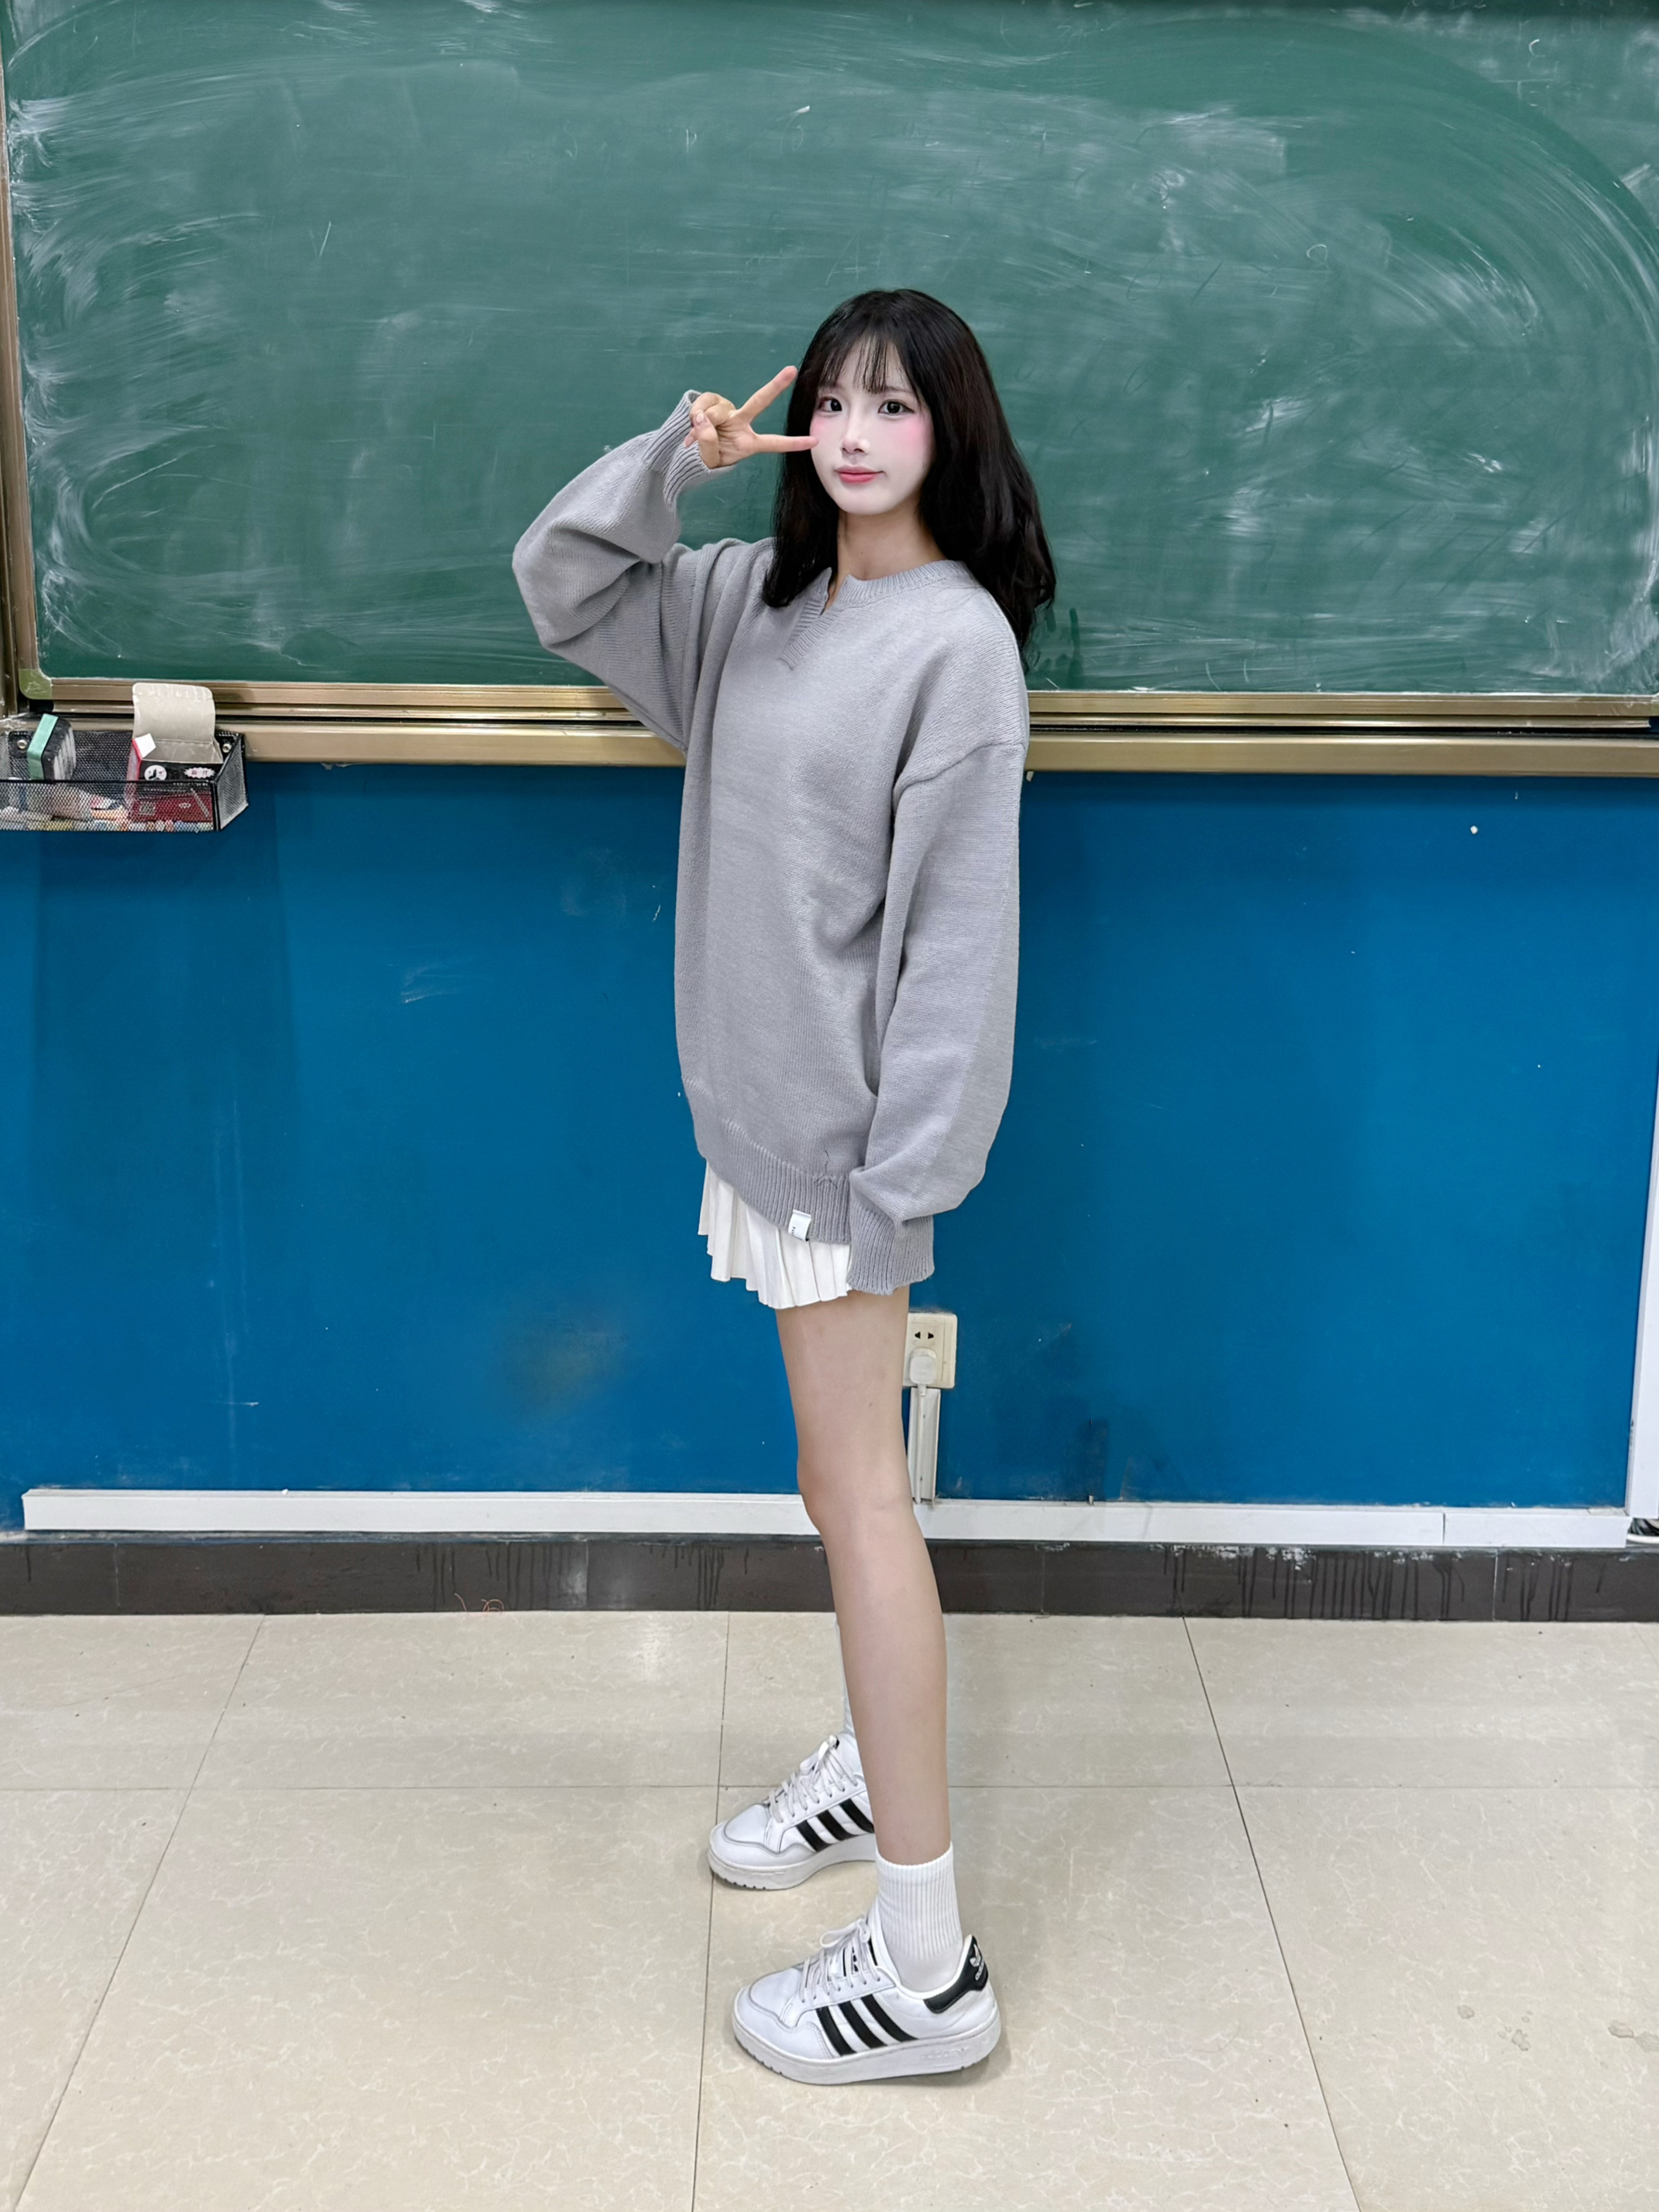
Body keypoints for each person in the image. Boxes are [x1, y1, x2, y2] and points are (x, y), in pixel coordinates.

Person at [512, 288, 1054, 2084]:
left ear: (949, 435)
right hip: (749, 1123)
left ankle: (925, 1967)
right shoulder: (745, 602)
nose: (854, 433)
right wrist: (675, 460)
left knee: (863, 1503)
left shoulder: (955, 649)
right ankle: (868, 1772)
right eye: (832, 401)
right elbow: (560, 581)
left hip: (839, 1155)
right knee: (837, 1489)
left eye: (894, 406)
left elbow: (959, 949)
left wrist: (902, 1182)